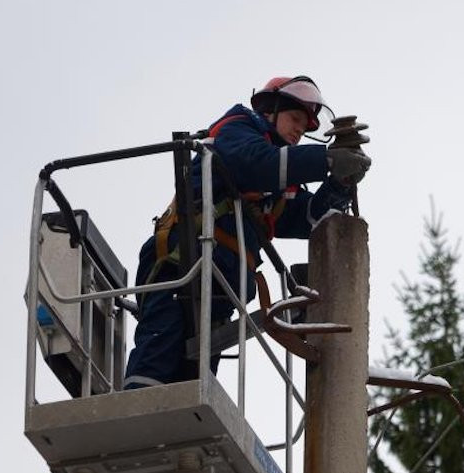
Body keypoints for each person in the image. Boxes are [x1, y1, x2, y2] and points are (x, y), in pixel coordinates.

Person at [122, 75, 371, 388]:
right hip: (180, 263)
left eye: (305, 126)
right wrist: (326, 160)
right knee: (157, 356)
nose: (299, 130)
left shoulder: (277, 188)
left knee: (193, 384)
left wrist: (340, 183)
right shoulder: (238, 127)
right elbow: (254, 164)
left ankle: (173, 433)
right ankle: (136, 412)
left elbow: (311, 219)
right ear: (270, 110)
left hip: (221, 287)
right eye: (295, 118)